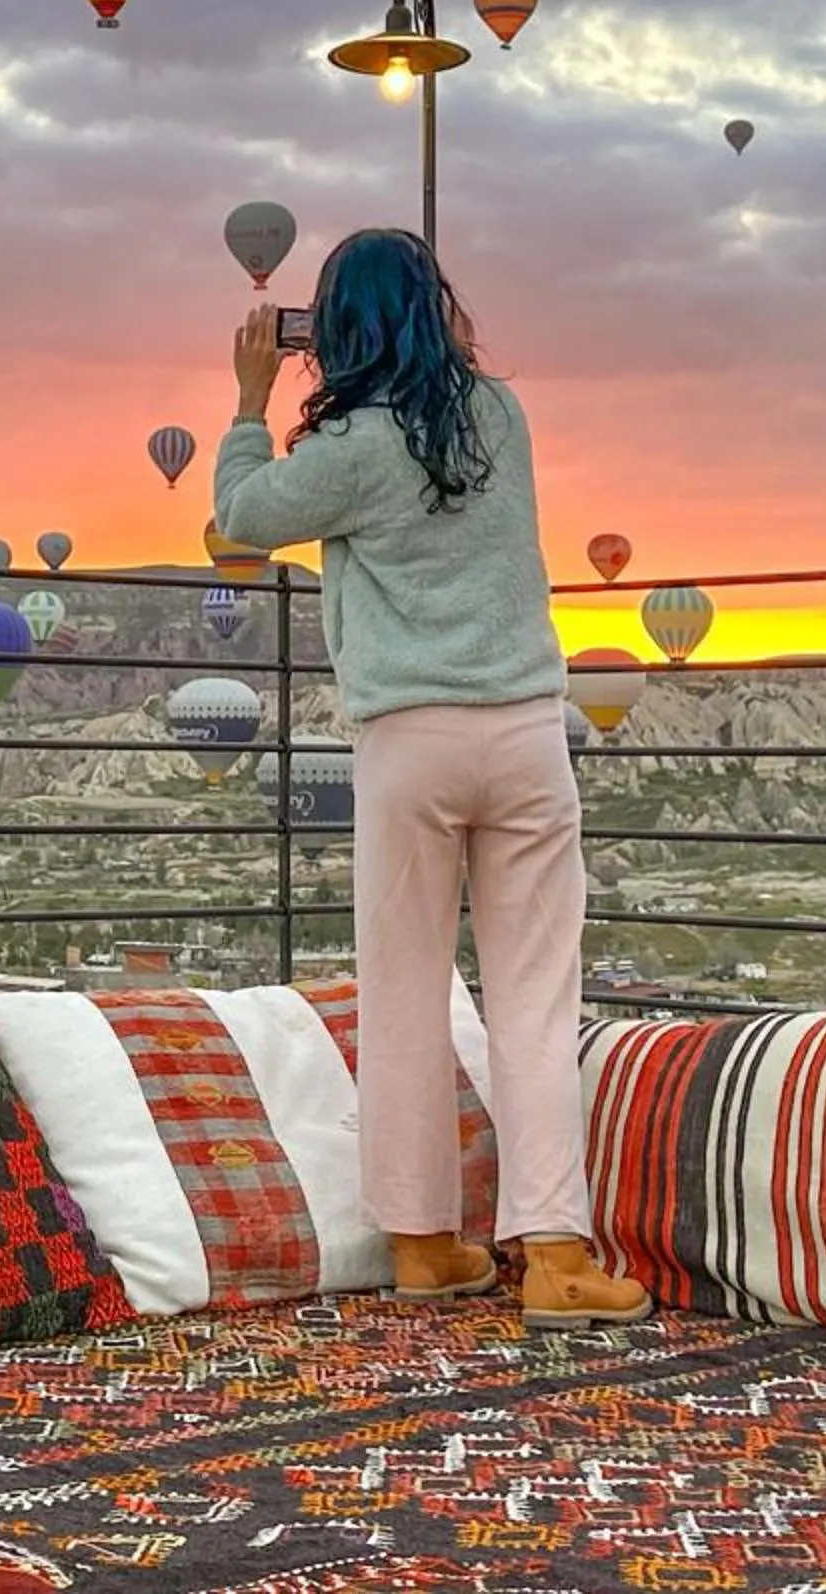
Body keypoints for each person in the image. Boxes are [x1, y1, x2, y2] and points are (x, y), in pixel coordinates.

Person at [214, 228, 647, 1329]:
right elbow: (449, 390)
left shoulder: (350, 448)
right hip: (526, 731)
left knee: (404, 993)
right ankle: (553, 1254)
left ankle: (422, 1243)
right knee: (538, 999)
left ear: (336, 329)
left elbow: (239, 524)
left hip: (409, 740)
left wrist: (249, 395)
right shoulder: (501, 417)